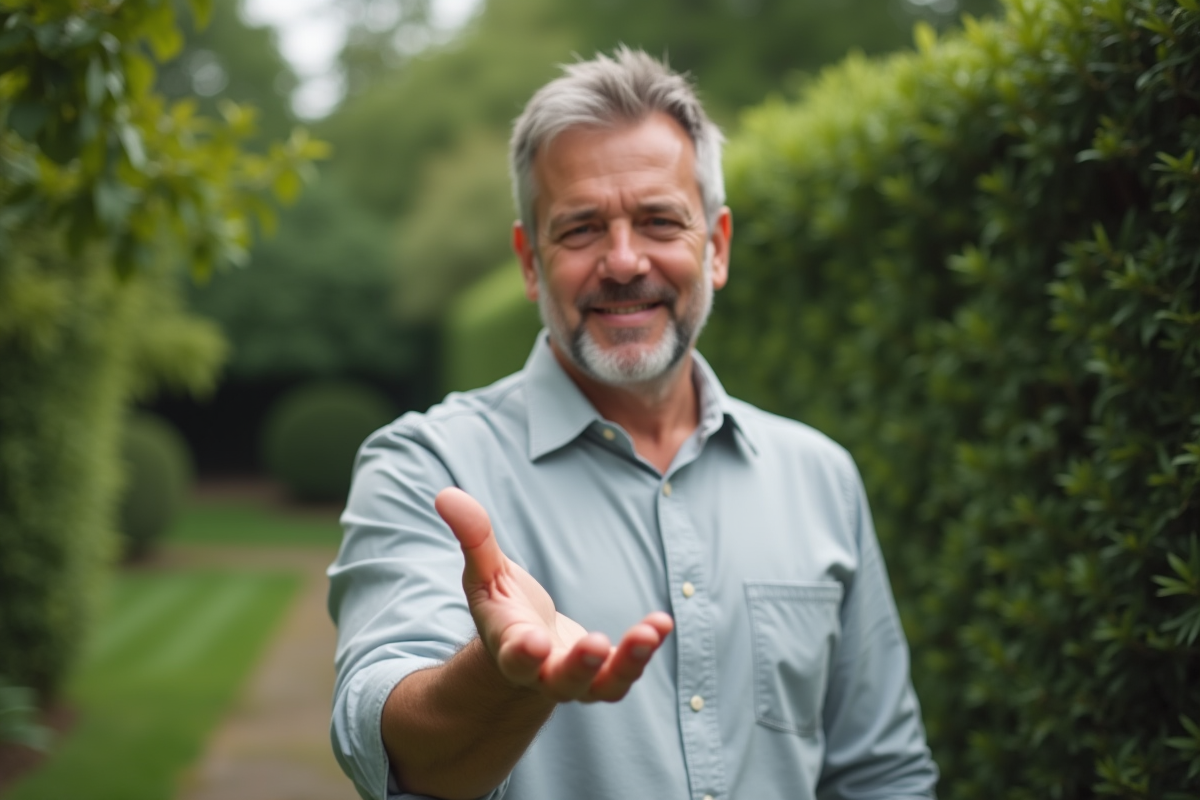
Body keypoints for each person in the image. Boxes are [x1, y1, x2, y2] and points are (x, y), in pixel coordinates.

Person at [328, 47, 938, 800]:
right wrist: (501, 679)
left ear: (715, 247)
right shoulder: (425, 467)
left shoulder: (820, 475)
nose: (623, 262)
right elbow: (390, 748)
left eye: (658, 221)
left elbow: (881, 773)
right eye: (581, 228)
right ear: (529, 263)